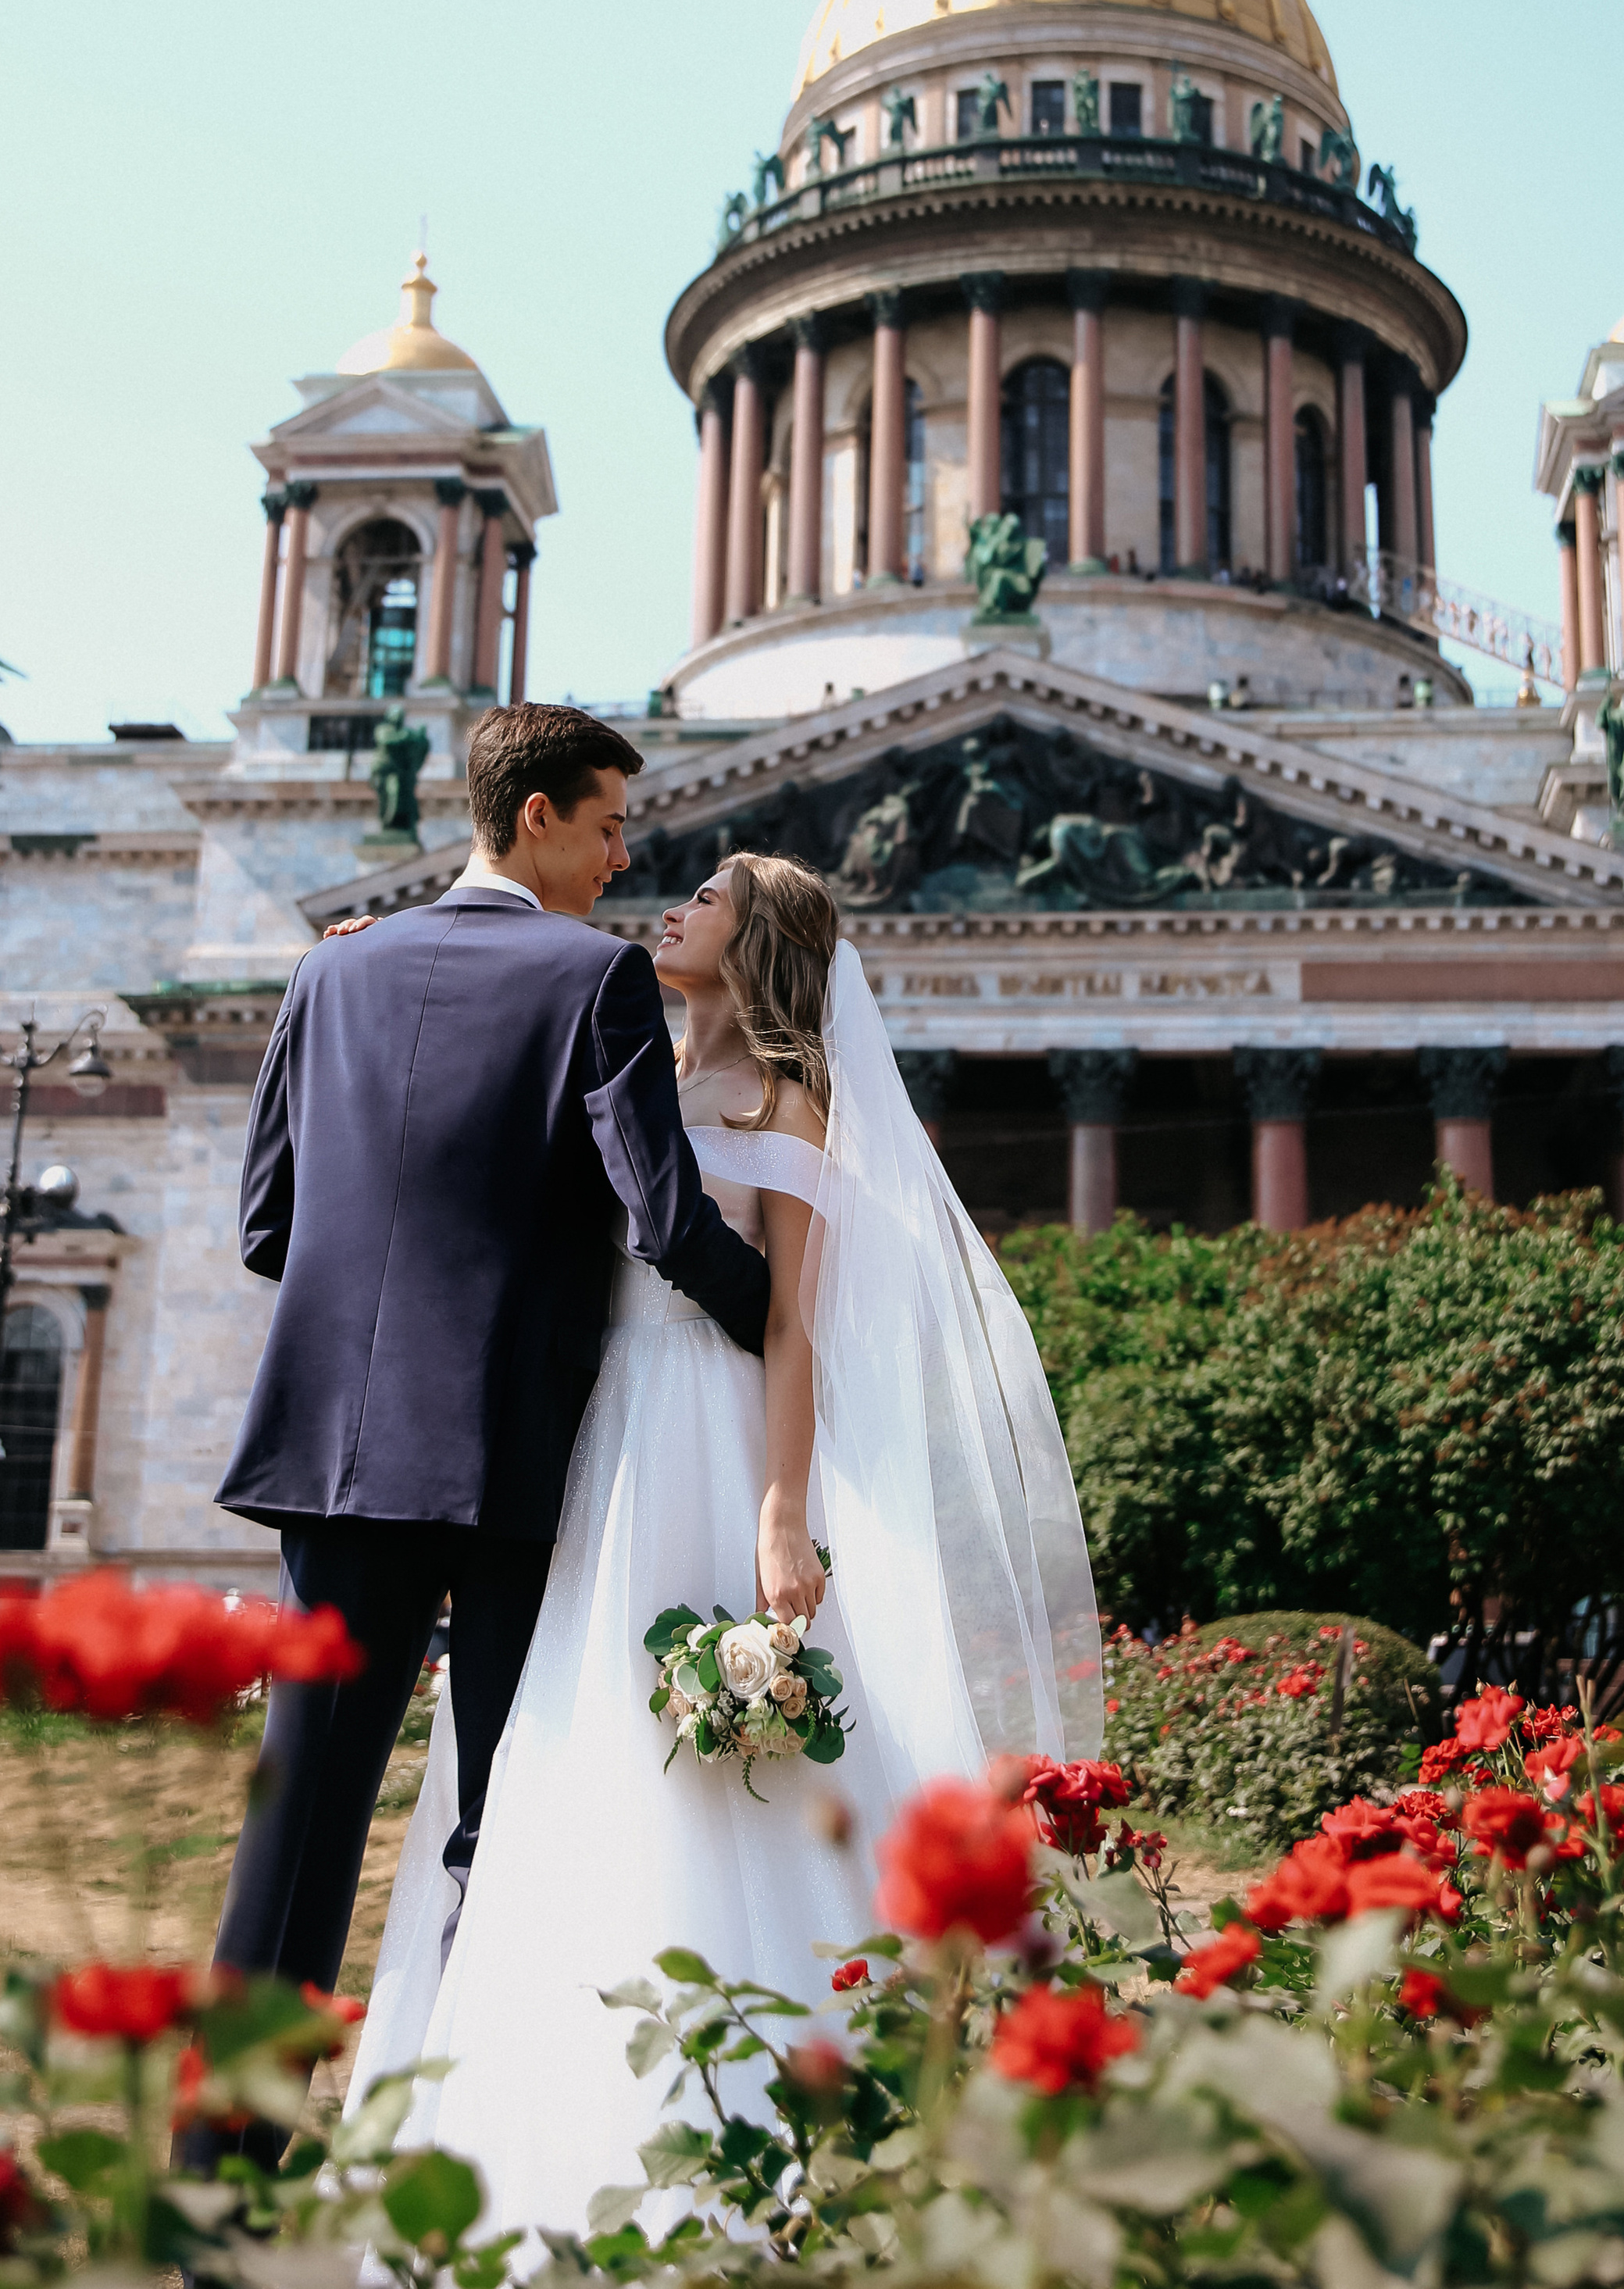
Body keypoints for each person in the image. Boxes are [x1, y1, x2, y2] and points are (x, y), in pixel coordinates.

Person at [345, 852, 1100, 2238]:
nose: (673, 905)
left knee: (721, 1747)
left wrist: (782, 1509)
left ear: (759, 945)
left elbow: (796, 1323)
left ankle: (795, 2121)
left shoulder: (788, 1098)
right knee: (563, 1747)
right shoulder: (620, 1061)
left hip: (713, 1430)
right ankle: (561, 2114)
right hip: (593, 1444)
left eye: (707, 897)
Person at [195, 705, 773, 2168]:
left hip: (334, 1453)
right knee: (517, 1817)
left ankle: (220, 2184)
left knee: (299, 1828)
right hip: (516, 1459)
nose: (623, 858)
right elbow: (660, 1217)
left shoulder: (330, 975)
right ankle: (503, 2153)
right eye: (607, 827)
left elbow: (266, 1226)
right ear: (534, 820)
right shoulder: (595, 981)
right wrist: (791, 1322)